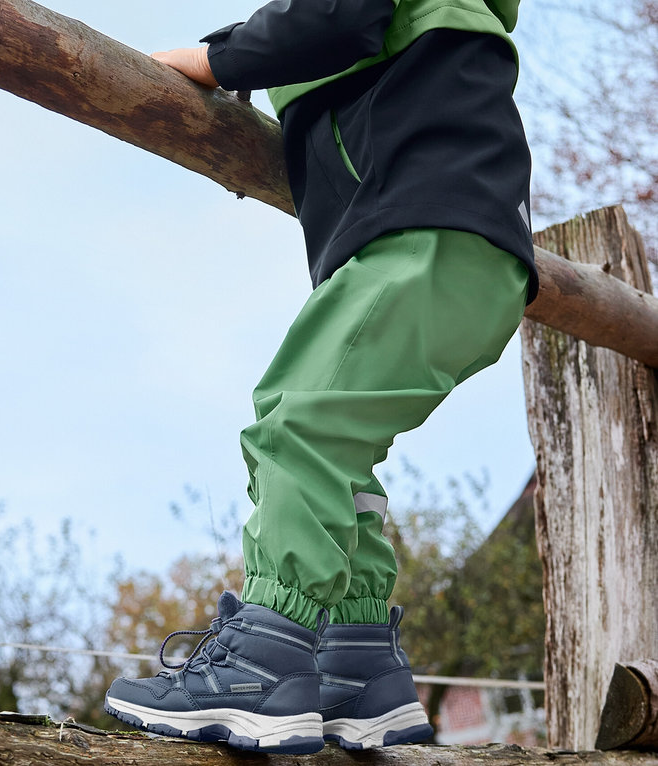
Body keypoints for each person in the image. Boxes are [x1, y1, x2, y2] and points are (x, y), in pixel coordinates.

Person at [104, 0, 538, 755]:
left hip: (421, 239)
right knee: (336, 444)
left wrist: (214, 59)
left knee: (295, 428)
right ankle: (358, 664)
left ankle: (261, 661)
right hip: (468, 257)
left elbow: (334, 14)